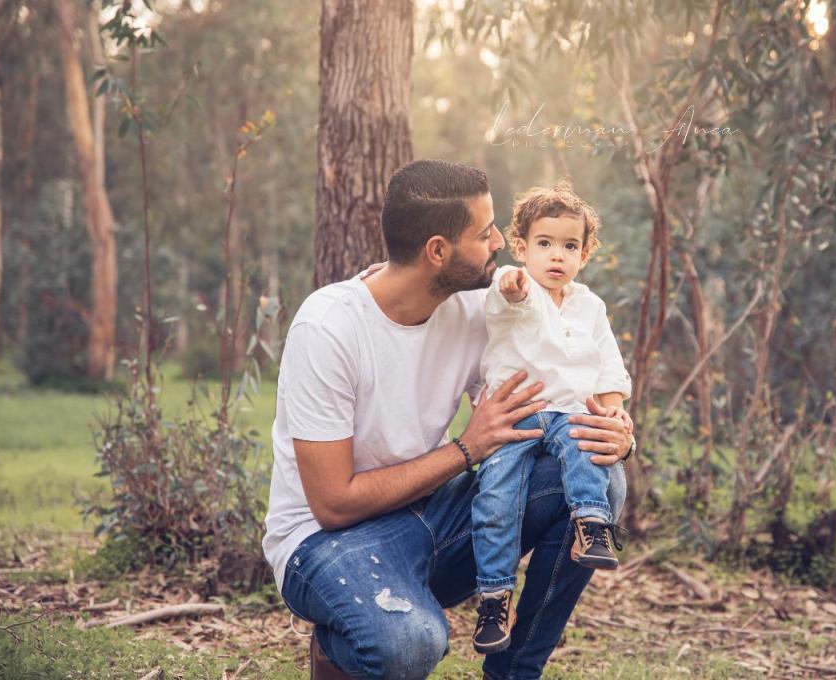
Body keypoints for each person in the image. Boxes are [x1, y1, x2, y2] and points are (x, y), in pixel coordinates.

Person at [262, 159, 635, 680]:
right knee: (410, 645)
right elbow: (332, 504)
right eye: (484, 233)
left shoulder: (478, 308)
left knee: (603, 478)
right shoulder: (329, 328)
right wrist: (466, 448)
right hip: (325, 543)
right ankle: (340, 642)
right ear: (438, 251)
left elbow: (554, 389)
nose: (500, 241)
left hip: (435, 516)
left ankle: (512, 672)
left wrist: (615, 433)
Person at [470, 182, 633, 655]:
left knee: (587, 445)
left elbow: (608, 364)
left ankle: (591, 525)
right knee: (496, 496)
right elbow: (504, 296)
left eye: (569, 246)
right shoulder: (515, 286)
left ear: (585, 253)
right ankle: (494, 597)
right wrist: (512, 285)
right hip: (517, 418)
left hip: (569, 412)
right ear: (521, 248)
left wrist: (615, 408)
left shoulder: (589, 305)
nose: (557, 255)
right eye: (544, 243)